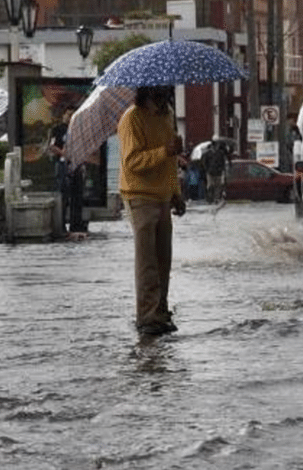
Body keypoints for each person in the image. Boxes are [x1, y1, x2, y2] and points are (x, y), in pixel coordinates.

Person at [117, 85, 186, 336]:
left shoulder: (166, 115)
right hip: (140, 196)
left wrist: (176, 192)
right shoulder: (132, 118)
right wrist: (164, 150)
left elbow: (170, 163)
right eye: (160, 90)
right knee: (147, 262)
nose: (165, 94)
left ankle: (161, 310)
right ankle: (147, 316)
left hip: (163, 196)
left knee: (163, 261)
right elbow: (132, 162)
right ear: (147, 90)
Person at [49, 107, 75, 234]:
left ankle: (73, 223)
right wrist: (62, 153)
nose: (69, 117)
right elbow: (52, 146)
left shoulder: (76, 129)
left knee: (72, 194)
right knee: (61, 191)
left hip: (73, 164)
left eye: (72, 115)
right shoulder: (57, 130)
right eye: (68, 114)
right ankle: (61, 223)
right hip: (61, 163)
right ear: (64, 115)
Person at [201, 138, 227, 204]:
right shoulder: (207, 154)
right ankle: (210, 198)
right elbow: (204, 162)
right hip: (210, 172)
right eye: (216, 145)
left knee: (217, 186)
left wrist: (222, 170)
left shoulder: (220, 153)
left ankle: (216, 198)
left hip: (218, 172)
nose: (217, 147)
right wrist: (207, 169)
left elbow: (223, 162)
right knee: (210, 186)